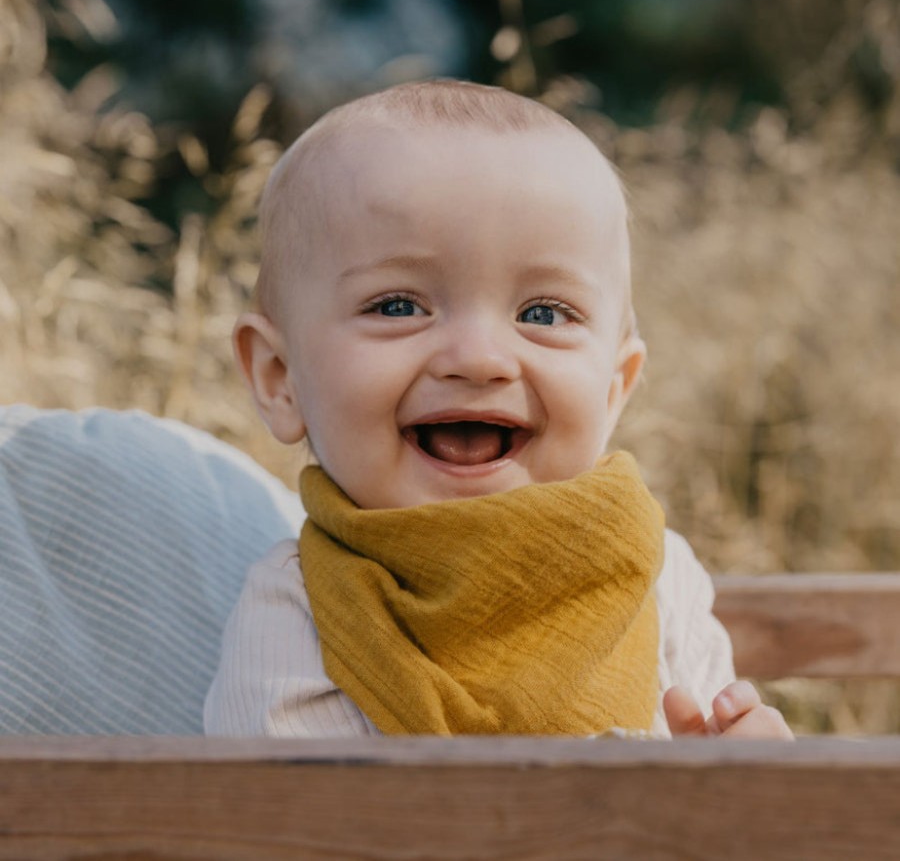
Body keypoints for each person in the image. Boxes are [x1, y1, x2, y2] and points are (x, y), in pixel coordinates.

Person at [204, 79, 792, 739]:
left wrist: (743, 773)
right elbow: (290, 825)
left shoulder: (655, 570)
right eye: (398, 306)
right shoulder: (299, 610)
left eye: (543, 313)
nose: (479, 358)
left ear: (613, 389)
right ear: (280, 378)